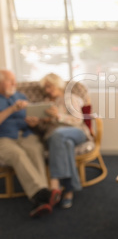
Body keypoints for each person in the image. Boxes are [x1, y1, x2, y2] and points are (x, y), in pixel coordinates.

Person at [0, 69, 61, 217]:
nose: (15, 83)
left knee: (35, 149)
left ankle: (41, 198)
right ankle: (42, 194)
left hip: (26, 133)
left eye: (14, 80)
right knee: (17, 154)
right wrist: (12, 109)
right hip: (4, 138)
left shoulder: (21, 96)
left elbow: (32, 115)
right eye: (10, 80)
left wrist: (34, 122)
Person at [26, 73, 91, 209]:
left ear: (58, 84)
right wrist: (39, 122)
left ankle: (54, 184)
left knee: (57, 134)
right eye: (46, 88)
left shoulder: (70, 98)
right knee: (63, 142)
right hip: (56, 138)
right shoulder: (44, 103)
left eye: (50, 86)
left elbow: (78, 121)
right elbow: (44, 129)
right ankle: (69, 190)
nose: (48, 90)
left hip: (76, 132)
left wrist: (58, 116)